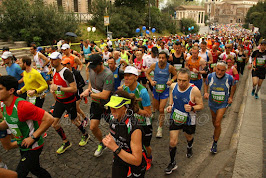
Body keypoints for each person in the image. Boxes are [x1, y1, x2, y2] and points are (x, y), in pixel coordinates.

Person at [0, 75, 54, 178]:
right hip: (23, 145)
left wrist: (33, 137)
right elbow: (8, 123)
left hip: (33, 146)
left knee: (18, 175)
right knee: (35, 169)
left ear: (11, 90)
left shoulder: (23, 106)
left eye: (0, 89)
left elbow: (49, 119)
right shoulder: (4, 105)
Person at [165, 68, 203, 174]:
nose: (181, 83)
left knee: (189, 137)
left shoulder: (194, 90)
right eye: (179, 80)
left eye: (184, 81)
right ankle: (172, 162)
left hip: (189, 119)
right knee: (172, 141)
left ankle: (189, 146)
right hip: (175, 116)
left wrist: (192, 108)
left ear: (189, 80)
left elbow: (201, 105)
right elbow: (172, 93)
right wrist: (170, 105)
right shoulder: (174, 86)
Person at [50, 52, 89, 154]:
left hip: (69, 101)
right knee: (54, 124)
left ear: (59, 60)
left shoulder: (66, 72)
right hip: (59, 101)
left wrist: (58, 88)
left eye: (53, 59)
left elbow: (74, 89)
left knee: (74, 121)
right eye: (50, 59)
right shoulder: (54, 70)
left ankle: (85, 135)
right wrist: (52, 88)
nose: (51, 61)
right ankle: (66, 142)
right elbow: (54, 82)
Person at [103, 90, 147, 178]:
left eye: (117, 107)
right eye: (111, 106)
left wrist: (115, 147)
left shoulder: (134, 128)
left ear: (126, 107)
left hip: (135, 163)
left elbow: (137, 160)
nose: (112, 110)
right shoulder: (112, 118)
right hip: (119, 157)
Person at [80, 54, 114, 157]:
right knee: (93, 127)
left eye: (95, 67)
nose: (93, 69)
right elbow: (90, 80)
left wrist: (89, 94)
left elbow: (105, 95)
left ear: (101, 63)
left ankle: (119, 144)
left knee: (115, 127)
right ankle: (102, 143)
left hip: (107, 105)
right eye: (91, 67)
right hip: (95, 103)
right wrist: (88, 88)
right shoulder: (91, 69)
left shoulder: (108, 74)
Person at [121, 66, 153, 170]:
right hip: (131, 122)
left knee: (145, 145)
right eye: (125, 76)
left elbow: (148, 113)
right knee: (132, 144)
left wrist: (136, 110)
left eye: (129, 76)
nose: (126, 78)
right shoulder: (125, 88)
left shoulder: (143, 92)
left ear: (136, 77)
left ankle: (149, 158)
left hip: (144, 123)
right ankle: (134, 161)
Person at [204, 61, 236, 154]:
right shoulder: (210, 76)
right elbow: (206, 83)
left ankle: (215, 143)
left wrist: (231, 97)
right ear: (215, 68)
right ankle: (216, 132)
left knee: (217, 123)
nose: (219, 72)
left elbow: (234, 86)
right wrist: (206, 92)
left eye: (222, 70)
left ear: (226, 70)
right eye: (218, 69)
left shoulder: (229, 78)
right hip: (212, 103)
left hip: (222, 104)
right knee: (214, 121)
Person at [146, 51, 177, 138]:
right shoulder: (154, 65)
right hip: (156, 90)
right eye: (159, 58)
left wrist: (171, 81)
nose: (161, 59)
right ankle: (153, 115)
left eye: (163, 58)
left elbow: (175, 75)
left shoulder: (169, 67)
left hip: (165, 91)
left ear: (166, 59)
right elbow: (147, 73)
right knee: (155, 108)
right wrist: (151, 81)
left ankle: (159, 129)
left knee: (161, 109)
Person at [61, 58, 88, 127]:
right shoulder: (64, 73)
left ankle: (85, 119)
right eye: (62, 64)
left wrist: (75, 87)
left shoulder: (76, 72)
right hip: (71, 94)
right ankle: (80, 121)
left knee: (76, 107)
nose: (63, 66)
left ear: (69, 64)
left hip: (78, 92)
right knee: (74, 108)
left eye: (65, 64)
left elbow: (83, 83)